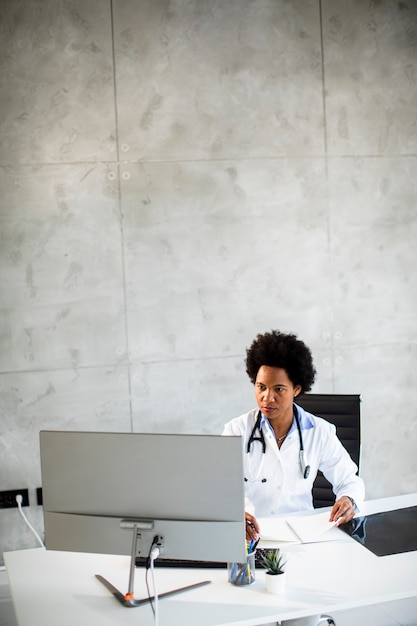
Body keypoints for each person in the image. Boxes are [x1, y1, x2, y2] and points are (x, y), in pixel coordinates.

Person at [222, 330, 365, 541]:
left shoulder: (320, 432)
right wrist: (232, 515)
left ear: (296, 389)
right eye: (261, 387)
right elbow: (217, 491)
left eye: (278, 389)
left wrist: (349, 500)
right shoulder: (237, 431)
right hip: (250, 539)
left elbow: (350, 481)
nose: (267, 398)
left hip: (302, 537)